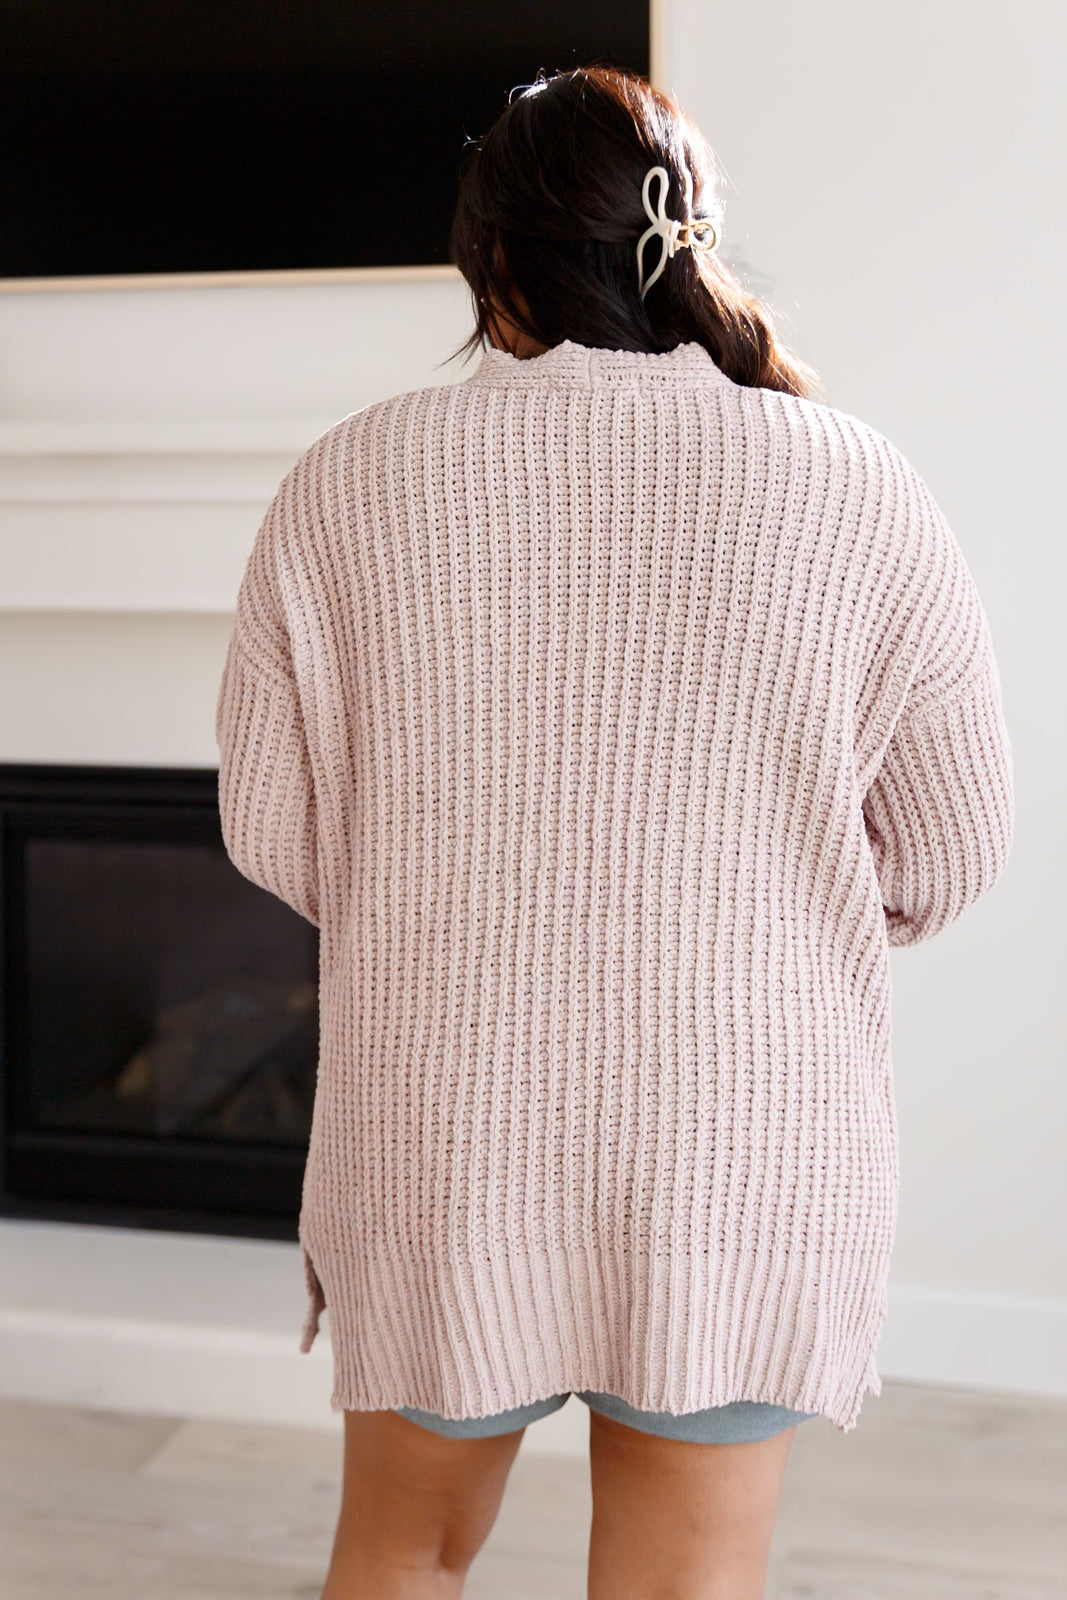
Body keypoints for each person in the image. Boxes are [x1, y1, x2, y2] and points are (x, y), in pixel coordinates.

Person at [216, 64, 1014, 1600]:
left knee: (401, 1553)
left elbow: (275, 831)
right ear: (692, 244)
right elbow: (952, 847)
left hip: (447, 1138)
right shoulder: (860, 487)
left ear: (491, 263)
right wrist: (772, 908)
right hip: (744, 1148)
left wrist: (439, 888)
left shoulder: (348, 484)